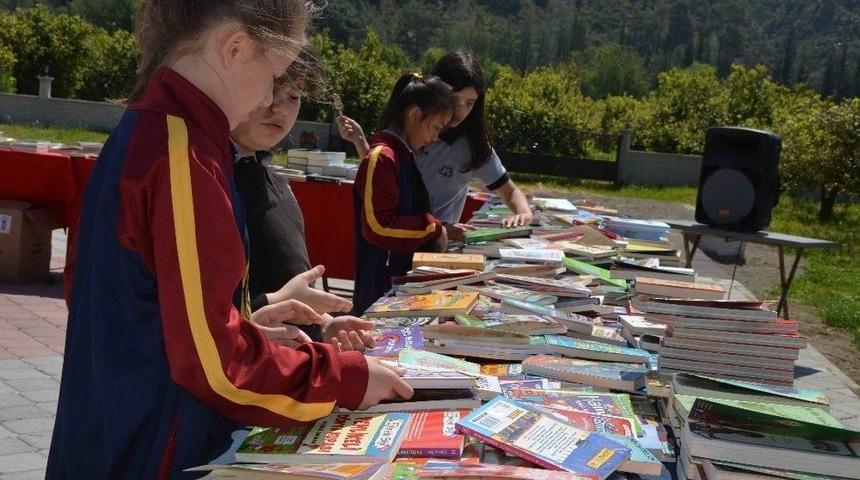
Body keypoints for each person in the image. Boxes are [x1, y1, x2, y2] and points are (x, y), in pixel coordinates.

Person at [48, 2, 411, 478]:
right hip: (149, 449)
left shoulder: (147, 130)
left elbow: (119, 302)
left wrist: (237, 325)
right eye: (273, 75)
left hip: (112, 431)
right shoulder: (185, 155)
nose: (267, 100)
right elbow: (216, 368)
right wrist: (345, 377)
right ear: (235, 48)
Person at [231, 44, 374, 351]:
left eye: (293, 97)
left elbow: (287, 280)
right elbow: (201, 315)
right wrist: (277, 301)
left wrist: (323, 324)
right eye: (269, 91)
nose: (279, 108)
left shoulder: (277, 184)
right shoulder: (212, 180)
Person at [337, 50, 533, 228]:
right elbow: (381, 177)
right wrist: (361, 143)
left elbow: (510, 191)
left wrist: (523, 213)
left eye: (470, 103)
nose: (462, 110)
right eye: (456, 100)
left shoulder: (472, 144)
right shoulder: (409, 128)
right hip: (399, 240)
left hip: (436, 249)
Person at [352, 73, 458, 315]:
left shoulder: (402, 155)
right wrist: (431, 228)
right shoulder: (382, 157)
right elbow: (377, 226)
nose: (435, 137)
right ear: (414, 115)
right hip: (379, 286)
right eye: (435, 127)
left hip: (396, 280)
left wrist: (440, 227)